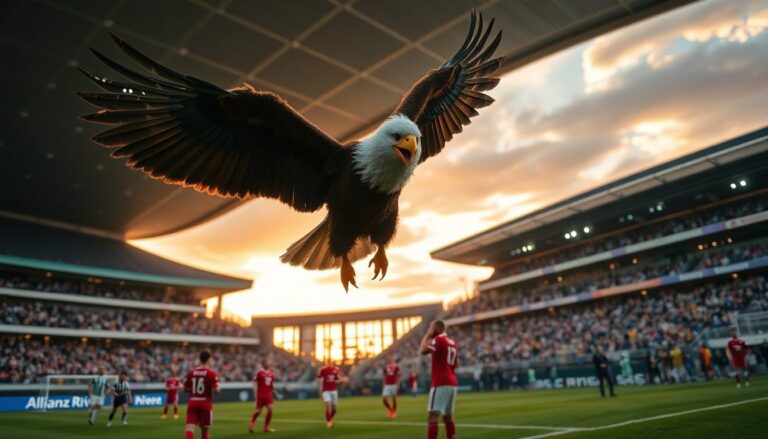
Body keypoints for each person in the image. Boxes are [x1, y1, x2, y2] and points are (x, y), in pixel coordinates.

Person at [419, 320, 458, 439]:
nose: (430, 329)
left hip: (440, 382)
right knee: (447, 418)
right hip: (452, 383)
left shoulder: (439, 339)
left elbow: (422, 350)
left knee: (432, 417)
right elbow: (455, 365)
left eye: (431, 327)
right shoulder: (452, 342)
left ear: (436, 328)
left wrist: (427, 335)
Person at [184, 350, 221, 439]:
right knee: (205, 431)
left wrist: (194, 392)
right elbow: (216, 390)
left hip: (192, 403)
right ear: (209, 359)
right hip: (205, 404)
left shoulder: (191, 373)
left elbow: (185, 389)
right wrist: (219, 387)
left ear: (200, 359)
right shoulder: (211, 374)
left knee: (189, 430)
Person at [249, 358, 276, 433]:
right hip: (260, 394)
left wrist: (274, 390)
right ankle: (252, 423)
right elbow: (254, 381)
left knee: (270, 409)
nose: (268, 364)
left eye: (268, 362)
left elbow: (271, 384)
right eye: (267, 362)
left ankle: (266, 427)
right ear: (263, 364)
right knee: (258, 411)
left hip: (268, 394)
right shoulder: (259, 373)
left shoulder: (271, 373)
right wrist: (254, 391)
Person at [317, 359, 345, 428]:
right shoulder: (323, 370)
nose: (329, 363)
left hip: (333, 390)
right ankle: (328, 422)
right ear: (326, 363)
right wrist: (319, 371)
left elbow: (337, 378)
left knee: (334, 409)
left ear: (332, 363)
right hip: (326, 390)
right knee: (328, 405)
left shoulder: (335, 370)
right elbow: (318, 376)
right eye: (328, 362)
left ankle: (330, 418)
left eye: (330, 362)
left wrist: (342, 379)